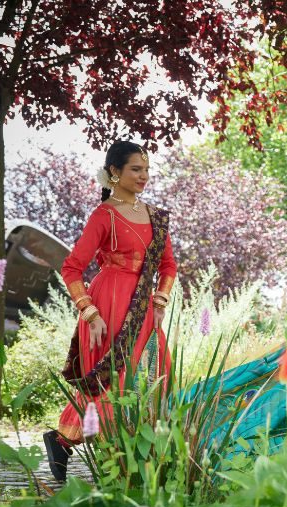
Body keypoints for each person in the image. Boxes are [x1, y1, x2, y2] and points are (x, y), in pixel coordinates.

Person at [43, 141, 177, 482]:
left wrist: (160, 302)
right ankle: (115, 462)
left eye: (146, 169)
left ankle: (71, 443)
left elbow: (169, 266)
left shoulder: (156, 217)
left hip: (143, 310)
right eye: (136, 169)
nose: (144, 176)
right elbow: (72, 268)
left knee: (152, 375)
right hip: (108, 306)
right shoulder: (104, 216)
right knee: (113, 381)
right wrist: (90, 313)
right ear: (114, 172)